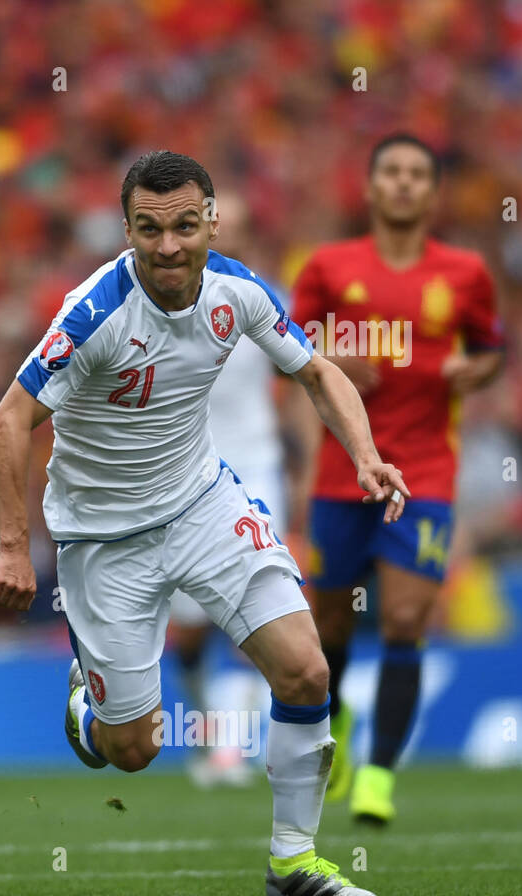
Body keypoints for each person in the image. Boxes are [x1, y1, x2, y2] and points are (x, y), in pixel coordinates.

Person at [0, 150, 410, 896]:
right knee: (133, 750)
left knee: (307, 669)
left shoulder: (238, 291)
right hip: (102, 537)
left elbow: (316, 371)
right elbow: (9, 419)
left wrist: (367, 456)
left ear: (210, 220)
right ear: (127, 230)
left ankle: (293, 859)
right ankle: (91, 710)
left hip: (201, 502)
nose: (170, 246)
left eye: (186, 225)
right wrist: (14, 546)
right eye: (150, 229)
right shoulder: (95, 314)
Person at [292, 133, 504, 823]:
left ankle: (380, 773)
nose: (405, 183)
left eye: (418, 174)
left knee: (408, 617)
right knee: (331, 627)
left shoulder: (466, 272)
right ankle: (341, 722)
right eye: (393, 172)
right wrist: (332, 362)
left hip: (426, 474)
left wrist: (478, 370)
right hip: (341, 471)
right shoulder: (328, 266)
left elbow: (490, 347)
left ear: (434, 191)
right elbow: (288, 346)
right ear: (372, 185)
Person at [164, 194, 306, 787]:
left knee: (258, 604)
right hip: (186, 472)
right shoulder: (165, 298)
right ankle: (203, 729)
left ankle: (234, 746)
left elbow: (301, 377)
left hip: (256, 466)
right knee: (192, 625)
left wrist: (302, 464)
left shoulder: (269, 297)